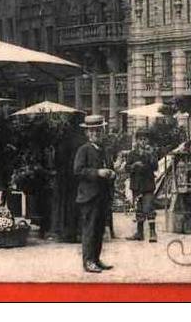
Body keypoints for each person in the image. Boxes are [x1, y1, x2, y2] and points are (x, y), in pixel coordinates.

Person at [73, 115, 115, 273]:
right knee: (90, 229)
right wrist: (97, 172)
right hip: (89, 196)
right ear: (87, 133)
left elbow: (109, 167)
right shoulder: (83, 150)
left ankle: (96, 259)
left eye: (98, 130)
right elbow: (77, 171)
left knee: (99, 229)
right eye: (92, 131)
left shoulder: (103, 150)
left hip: (102, 196)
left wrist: (112, 173)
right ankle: (88, 261)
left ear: (102, 131)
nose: (96, 133)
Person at [125, 129, 159, 243]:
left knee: (148, 208)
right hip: (136, 185)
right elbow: (127, 168)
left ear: (148, 140)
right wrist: (134, 165)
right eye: (140, 139)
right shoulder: (132, 153)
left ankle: (153, 233)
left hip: (148, 184)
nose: (143, 142)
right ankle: (139, 233)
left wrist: (150, 157)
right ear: (137, 141)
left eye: (145, 139)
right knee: (139, 208)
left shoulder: (151, 153)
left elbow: (155, 167)